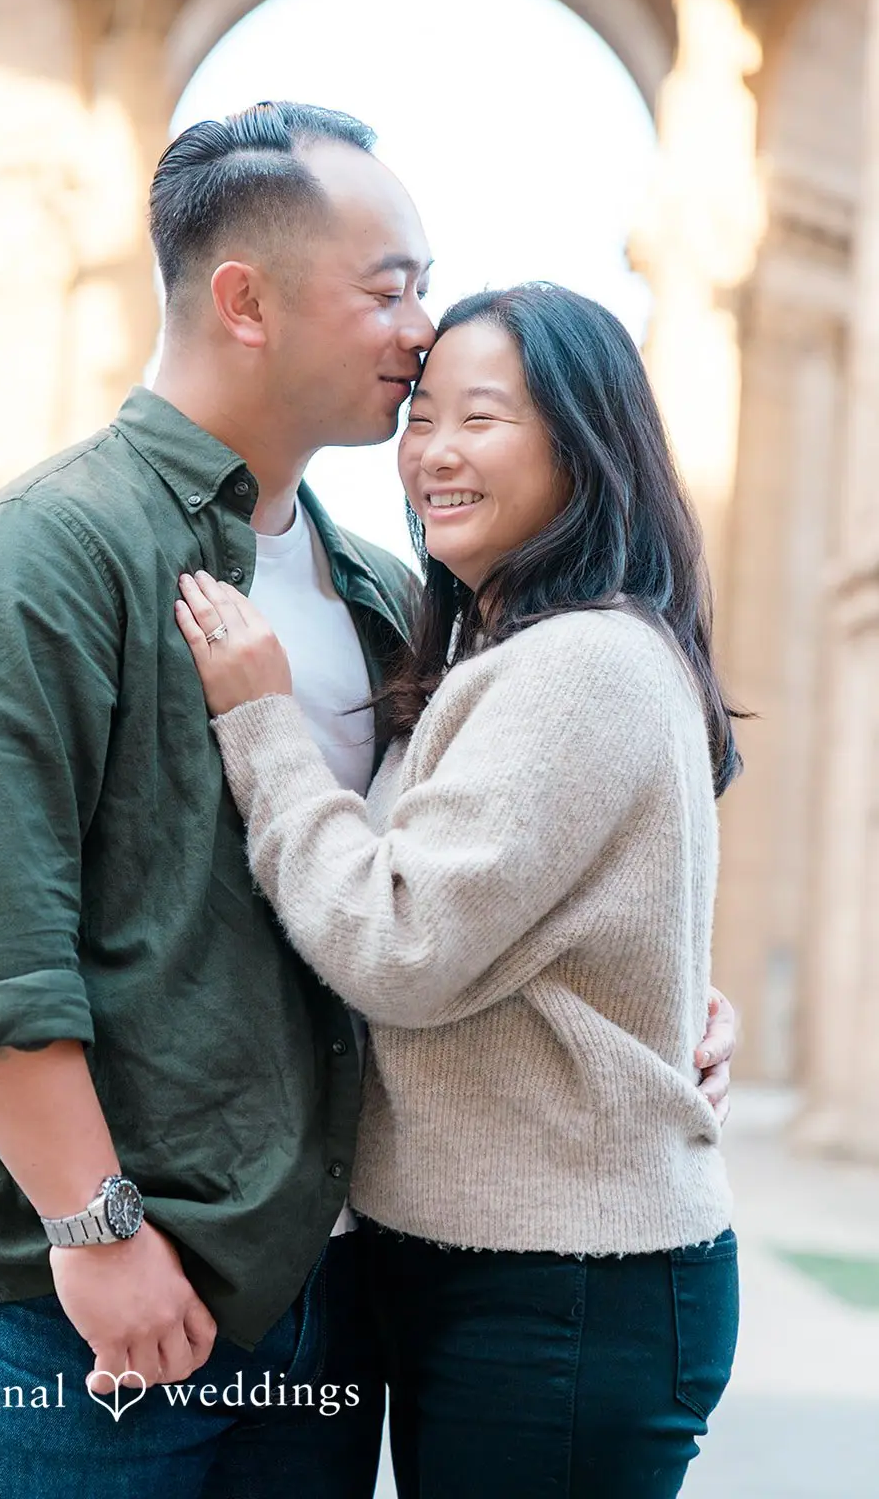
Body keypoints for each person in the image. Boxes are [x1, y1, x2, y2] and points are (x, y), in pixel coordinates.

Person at [0, 103, 735, 1499]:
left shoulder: (386, 595)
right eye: (391, 286)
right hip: (85, 1300)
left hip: (322, 1286)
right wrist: (97, 1236)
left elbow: (463, 880)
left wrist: (662, 996)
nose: (419, 328)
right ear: (246, 300)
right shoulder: (30, 560)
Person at [176, 280, 742, 1498]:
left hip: (562, 1283)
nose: (431, 452)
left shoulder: (581, 665)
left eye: (481, 419)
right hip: (505, 1266)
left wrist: (264, 727)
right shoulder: (510, 653)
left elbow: (400, 942)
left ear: (587, 445)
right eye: (421, 415)